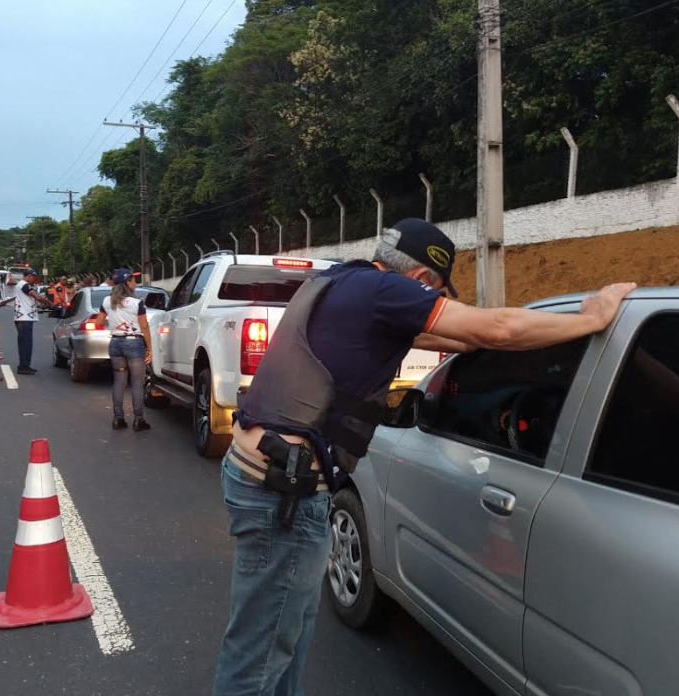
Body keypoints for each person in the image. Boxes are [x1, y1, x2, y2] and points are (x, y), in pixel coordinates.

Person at [210, 217, 637, 696]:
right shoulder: (386, 292)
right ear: (421, 281)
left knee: (279, 640)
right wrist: (594, 319)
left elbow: (451, 338)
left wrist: (507, 337)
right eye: (437, 293)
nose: (436, 302)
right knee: (261, 654)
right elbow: (496, 328)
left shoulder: (343, 281)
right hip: (284, 494)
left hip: (263, 478)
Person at [95, 268, 153, 431]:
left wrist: (114, 325)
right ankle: (138, 420)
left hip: (115, 344)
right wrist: (149, 348)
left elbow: (99, 322)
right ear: (127, 283)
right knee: (136, 383)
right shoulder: (137, 303)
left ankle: (118, 419)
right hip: (134, 344)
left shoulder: (107, 301)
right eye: (133, 280)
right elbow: (144, 326)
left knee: (119, 382)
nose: (135, 282)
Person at [12, 269, 52, 375]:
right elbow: (37, 296)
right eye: (34, 278)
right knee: (26, 344)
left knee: (25, 343)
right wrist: (49, 303)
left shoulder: (21, 285)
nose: (34, 280)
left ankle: (24, 365)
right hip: (24, 319)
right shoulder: (24, 285)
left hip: (23, 318)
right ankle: (24, 366)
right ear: (29, 276)